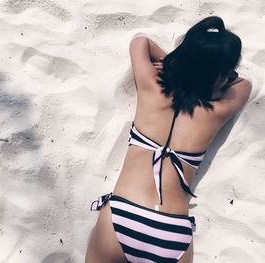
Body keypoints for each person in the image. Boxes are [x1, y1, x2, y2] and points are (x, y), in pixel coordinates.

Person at [85, 16, 252, 263]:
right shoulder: (218, 111)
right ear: (218, 76)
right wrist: (220, 79)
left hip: (122, 214)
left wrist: (178, 64)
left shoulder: (150, 86)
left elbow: (140, 42)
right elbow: (244, 84)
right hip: (171, 231)